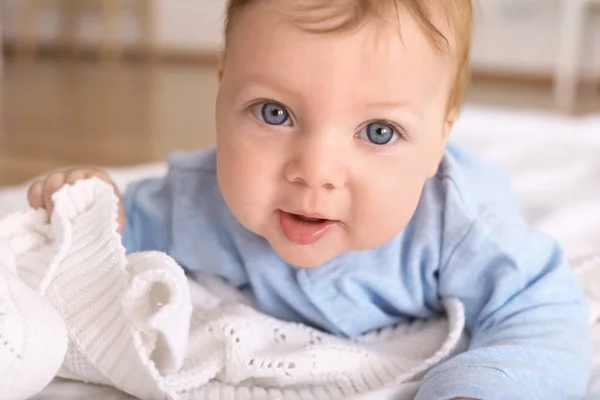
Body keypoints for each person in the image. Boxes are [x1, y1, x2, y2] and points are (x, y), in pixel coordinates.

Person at [27, 1, 591, 398]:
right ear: (221, 89)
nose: (315, 172)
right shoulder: (196, 201)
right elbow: (112, 237)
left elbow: (541, 317)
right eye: (275, 113)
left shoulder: (458, 227)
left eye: (378, 132)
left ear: (441, 138)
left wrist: (481, 390)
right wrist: (94, 206)